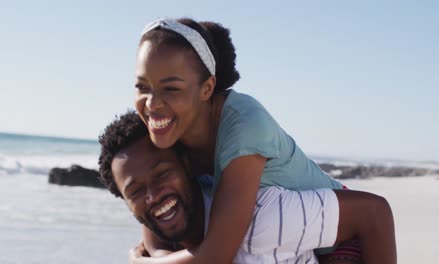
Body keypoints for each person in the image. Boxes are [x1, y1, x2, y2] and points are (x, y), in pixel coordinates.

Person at [133, 17, 391, 263]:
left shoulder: (245, 126)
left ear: (207, 88)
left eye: (171, 88)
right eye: (143, 87)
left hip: (341, 236)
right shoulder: (167, 128)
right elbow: (156, 232)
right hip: (283, 245)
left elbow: (215, 257)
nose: (153, 103)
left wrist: (139, 262)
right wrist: (156, 255)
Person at [98, 111, 396, 264]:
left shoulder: (261, 215)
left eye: (162, 174)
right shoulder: (168, 226)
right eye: (135, 192)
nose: (153, 195)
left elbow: (374, 213)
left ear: (188, 166)